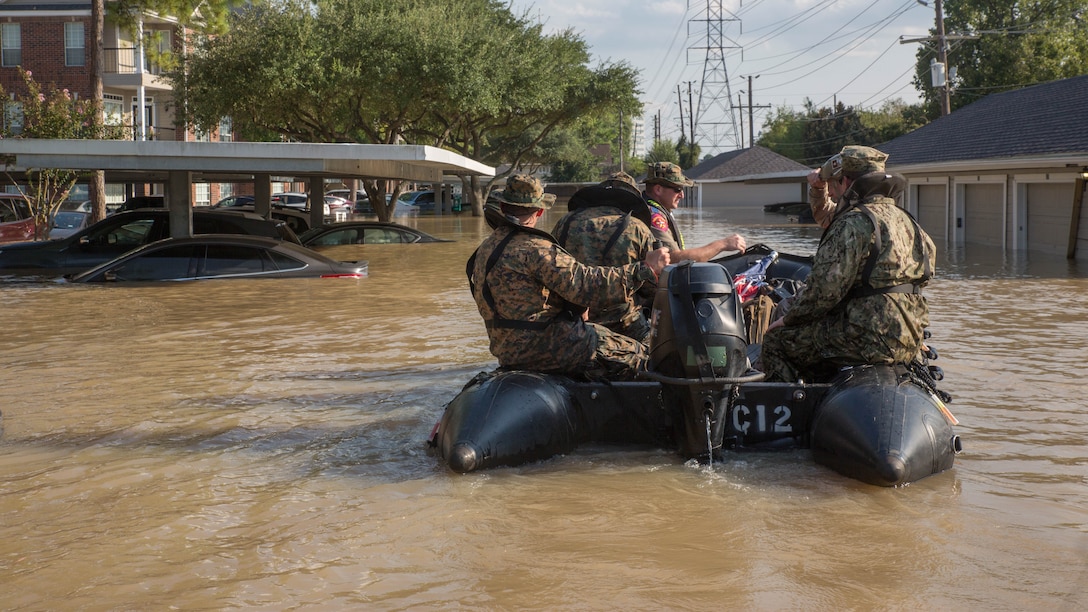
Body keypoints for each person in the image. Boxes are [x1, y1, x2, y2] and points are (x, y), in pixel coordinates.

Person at [759, 145, 937, 383]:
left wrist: (787, 320)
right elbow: (926, 274)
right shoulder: (909, 222)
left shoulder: (853, 223)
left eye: (834, 185)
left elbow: (823, 292)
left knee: (776, 341)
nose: (831, 192)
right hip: (909, 339)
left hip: (867, 339)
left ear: (845, 183)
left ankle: (793, 410)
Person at [468, 174, 670, 381]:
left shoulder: (485, 248)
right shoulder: (536, 249)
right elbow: (587, 285)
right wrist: (645, 268)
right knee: (645, 356)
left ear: (502, 206)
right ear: (539, 211)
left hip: (506, 350)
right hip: (548, 347)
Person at [551, 172, 657, 342]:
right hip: (626, 328)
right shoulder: (638, 229)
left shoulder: (565, 223)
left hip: (574, 325)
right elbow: (652, 286)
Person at [642, 161, 747, 261]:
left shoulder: (653, 209)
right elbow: (673, 258)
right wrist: (723, 244)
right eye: (678, 189)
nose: (682, 195)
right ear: (658, 190)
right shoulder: (653, 216)